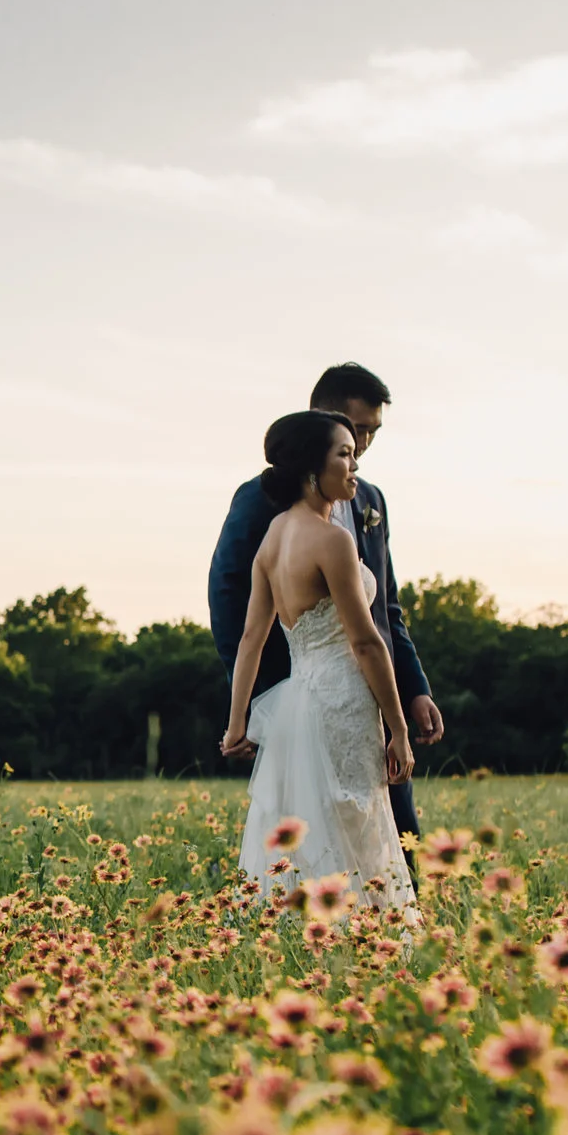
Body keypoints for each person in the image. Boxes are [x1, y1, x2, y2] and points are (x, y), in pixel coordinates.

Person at [206, 363, 440, 851]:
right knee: (348, 836)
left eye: (372, 434)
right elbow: (233, 607)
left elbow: (387, 611)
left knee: (377, 832)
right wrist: (261, 706)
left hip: (368, 694)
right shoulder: (261, 503)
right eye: (354, 433)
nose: (364, 449)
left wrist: (412, 689)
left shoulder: (369, 499)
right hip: (311, 696)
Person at [218, 411, 415, 909]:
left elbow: (250, 639)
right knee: (357, 822)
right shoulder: (332, 540)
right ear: (312, 470)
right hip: (343, 700)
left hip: (300, 701)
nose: (354, 466)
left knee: (311, 821)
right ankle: (364, 936)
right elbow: (367, 643)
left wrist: (236, 721)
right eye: (343, 455)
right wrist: (399, 728)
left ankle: (309, 934)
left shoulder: (273, 538)